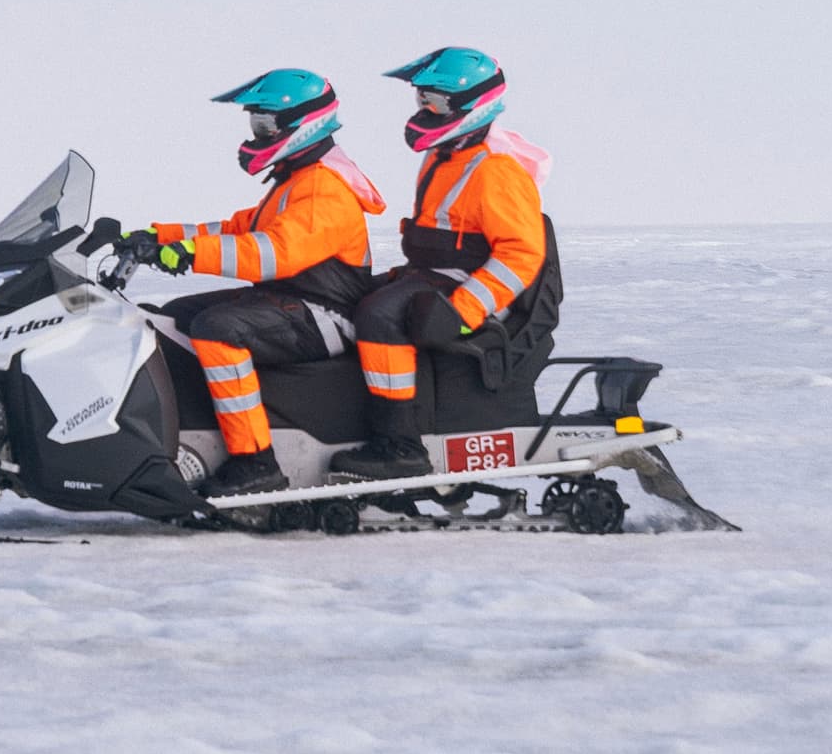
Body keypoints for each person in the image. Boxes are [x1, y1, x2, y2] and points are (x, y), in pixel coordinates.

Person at [115, 69, 387, 498]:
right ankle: (194, 429)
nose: (256, 135)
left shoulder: (324, 189)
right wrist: (160, 236)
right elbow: (237, 228)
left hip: (327, 315)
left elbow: (274, 253)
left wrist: (189, 254)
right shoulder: (297, 179)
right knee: (175, 316)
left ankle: (254, 461)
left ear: (304, 125)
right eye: (254, 125)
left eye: (265, 126)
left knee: (218, 330)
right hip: (294, 301)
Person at [327, 46, 550, 481]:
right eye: (422, 99)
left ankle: (400, 445)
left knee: (379, 315)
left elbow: (521, 254)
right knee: (353, 298)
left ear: (472, 105)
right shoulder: (446, 155)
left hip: (471, 285)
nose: (425, 110)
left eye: (437, 101)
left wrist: (464, 311)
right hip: (436, 273)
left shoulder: (495, 170)